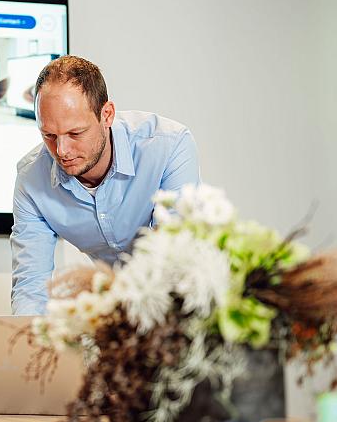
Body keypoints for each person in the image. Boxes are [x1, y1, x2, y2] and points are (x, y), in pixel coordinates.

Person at [10, 56, 200, 315]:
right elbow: (30, 287)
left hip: (189, 300)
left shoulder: (168, 146)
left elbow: (171, 259)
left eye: (75, 133)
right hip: (118, 310)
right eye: (49, 135)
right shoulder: (31, 181)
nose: (62, 151)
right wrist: (28, 347)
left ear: (106, 114)